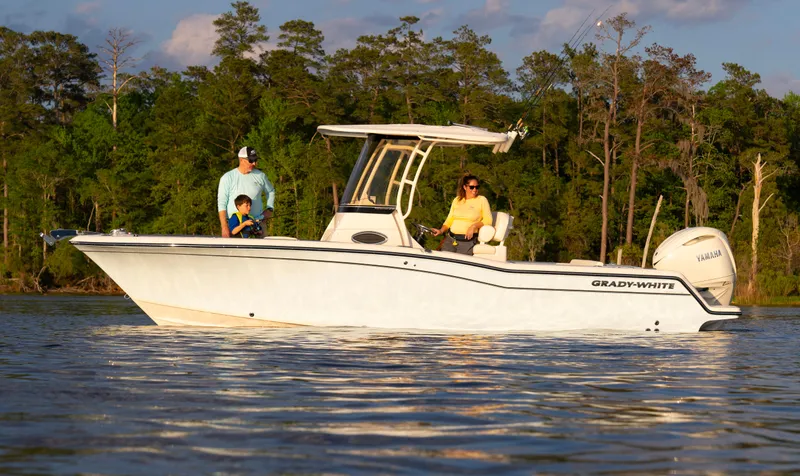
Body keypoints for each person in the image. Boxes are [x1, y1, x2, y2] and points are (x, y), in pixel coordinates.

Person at [218, 146, 275, 237]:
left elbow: (271, 191)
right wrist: (224, 227)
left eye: (255, 160)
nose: (254, 163)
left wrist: (270, 209)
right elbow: (222, 203)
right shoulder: (228, 177)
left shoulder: (261, 176)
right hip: (235, 226)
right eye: (251, 161)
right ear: (241, 160)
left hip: (257, 224)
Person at [431, 174, 492, 255]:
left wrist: (473, 226)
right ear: (465, 187)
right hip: (451, 239)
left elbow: (488, 220)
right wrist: (441, 230)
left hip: (467, 241)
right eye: (471, 187)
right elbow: (450, 219)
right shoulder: (457, 200)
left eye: (477, 187)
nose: (475, 189)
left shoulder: (482, 200)